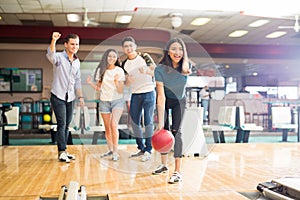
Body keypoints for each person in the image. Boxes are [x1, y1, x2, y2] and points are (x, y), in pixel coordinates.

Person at [152, 37, 191, 184]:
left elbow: (185, 67)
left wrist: (185, 62)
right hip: (165, 100)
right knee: (164, 130)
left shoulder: (186, 67)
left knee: (177, 132)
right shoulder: (160, 69)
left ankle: (177, 171)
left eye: (180, 49)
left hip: (179, 101)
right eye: (174, 49)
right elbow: (160, 96)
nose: (177, 52)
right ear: (168, 52)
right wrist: (161, 122)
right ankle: (163, 165)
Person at [46, 32, 85, 163]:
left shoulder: (77, 62)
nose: (75, 46)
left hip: (70, 97)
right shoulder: (59, 57)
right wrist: (53, 40)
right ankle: (61, 151)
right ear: (66, 45)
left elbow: (77, 80)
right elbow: (50, 55)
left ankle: (64, 150)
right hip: (58, 95)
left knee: (67, 125)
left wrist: (80, 97)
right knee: (61, 124)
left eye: (77, 44)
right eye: (72, 44)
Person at [121, 36, 156, 162]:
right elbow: (126, 83)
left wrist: (147, 71)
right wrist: (127, 82)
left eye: (130, 46)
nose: (129, 48)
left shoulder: (144, 56)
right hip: (135, 94)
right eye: (126, 47)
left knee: (148, 121)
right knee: (135, 122)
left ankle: (148, 149)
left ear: (135, 46)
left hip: (149, 92)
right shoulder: (124, 63)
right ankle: (141, 148)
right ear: (123, 49)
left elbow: (156, 72)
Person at [87, 49, 125, 161]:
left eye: (114, 56)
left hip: (117, 101)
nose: (112, 59)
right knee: (107, 128)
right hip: (104, 101)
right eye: (109, 56)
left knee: (114, 125)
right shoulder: (101, 70)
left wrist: (116, 81)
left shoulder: (119, 71)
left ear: (117, 58)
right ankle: (110, 150)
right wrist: (90, 83)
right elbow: (99, 88)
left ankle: (116, 152)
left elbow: (120, 90)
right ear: (106, 57)